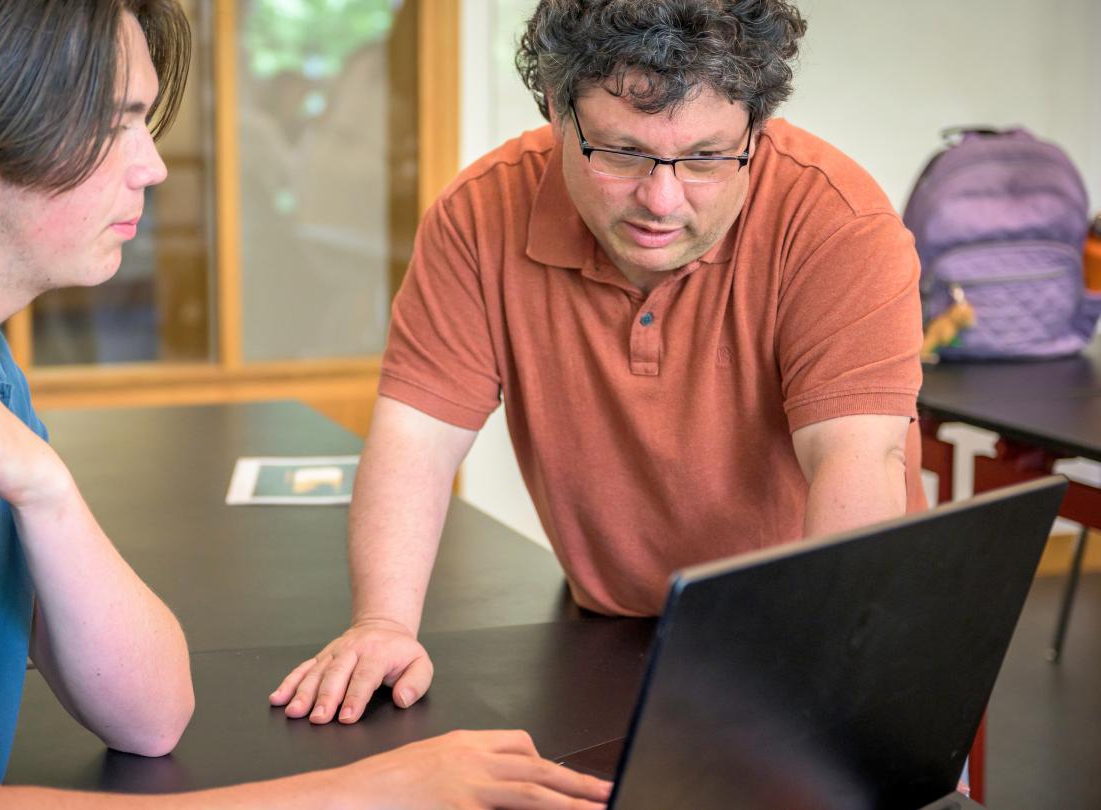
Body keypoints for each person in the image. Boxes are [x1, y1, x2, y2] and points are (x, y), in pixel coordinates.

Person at [0, 1, 609, 807]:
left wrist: (47, 489)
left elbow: (151, 713)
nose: (152, 166)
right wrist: (370, 790)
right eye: (116, 123)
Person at [272, 0, 929, 727]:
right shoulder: (480, 214)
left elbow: (859, 460)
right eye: (622, 153)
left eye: (707, 158)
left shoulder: (838, 223)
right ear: (557, 109)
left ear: (757, 124)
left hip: (830, 626)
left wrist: (825, 665)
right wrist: (383, 626)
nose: (662, 201)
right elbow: (416, 441)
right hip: (616, 629)